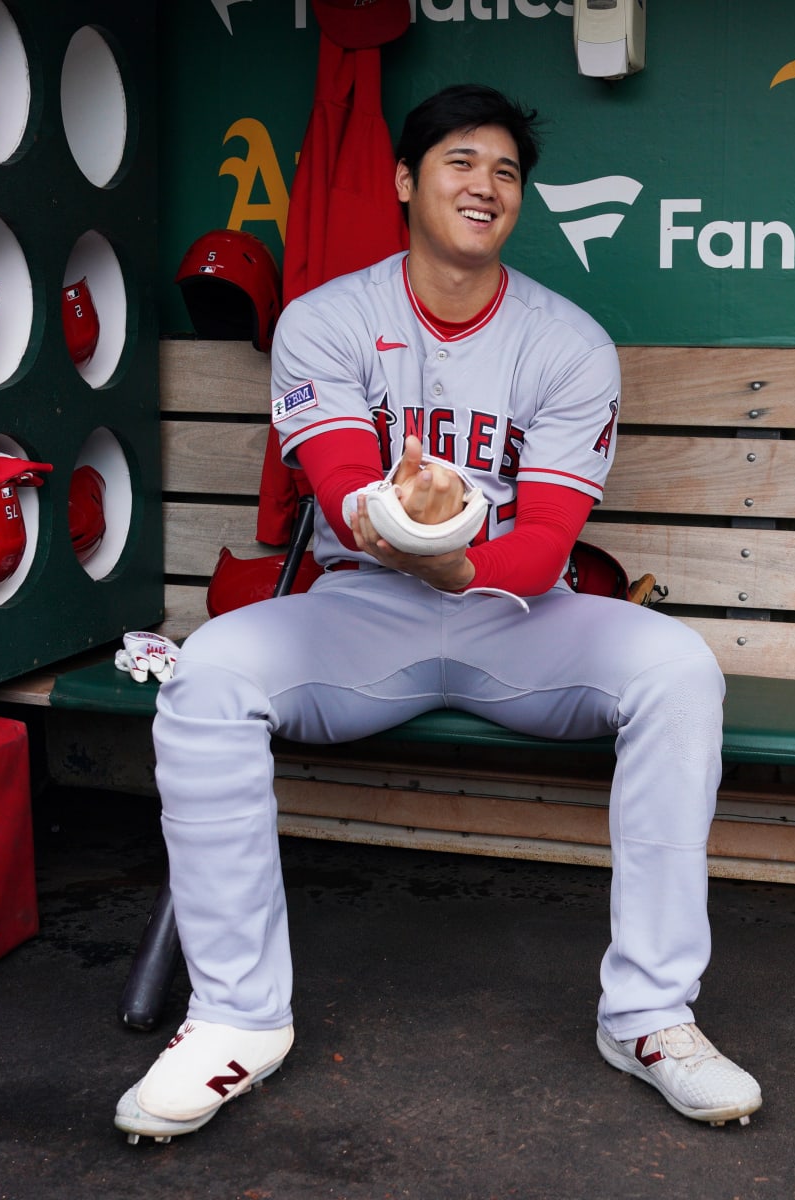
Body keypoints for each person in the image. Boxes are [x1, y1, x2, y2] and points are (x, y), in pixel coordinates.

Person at [115, 83, 762, 1143]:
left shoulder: (569, 343)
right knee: (210, 673)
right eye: (461, 161)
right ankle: (237, 1017)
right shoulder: (328, 319)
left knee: (678, 670)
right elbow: (341, 491)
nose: (485, 185)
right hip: (363, 611)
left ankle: (650, 1015)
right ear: (407, 181)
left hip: (517, 614)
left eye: (506, 171)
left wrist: (452, 552)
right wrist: (399, 520)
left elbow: (543, 544)